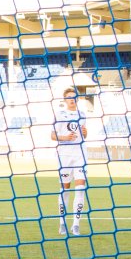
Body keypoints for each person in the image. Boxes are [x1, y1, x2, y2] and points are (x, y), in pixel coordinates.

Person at [51, 87, 88, 236]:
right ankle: (62, 223)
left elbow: (84, 134)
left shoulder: (83, 115)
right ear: (65, 100)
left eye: (74, 97)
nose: (72, 99)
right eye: (69, 97)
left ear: (77, 99)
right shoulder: (59, 114)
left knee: (80, 188)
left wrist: (85, 133)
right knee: (65, 188)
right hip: (64, 154)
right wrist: (65, 138)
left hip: (80, 153)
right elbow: (53, 135)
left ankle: (76, 224)